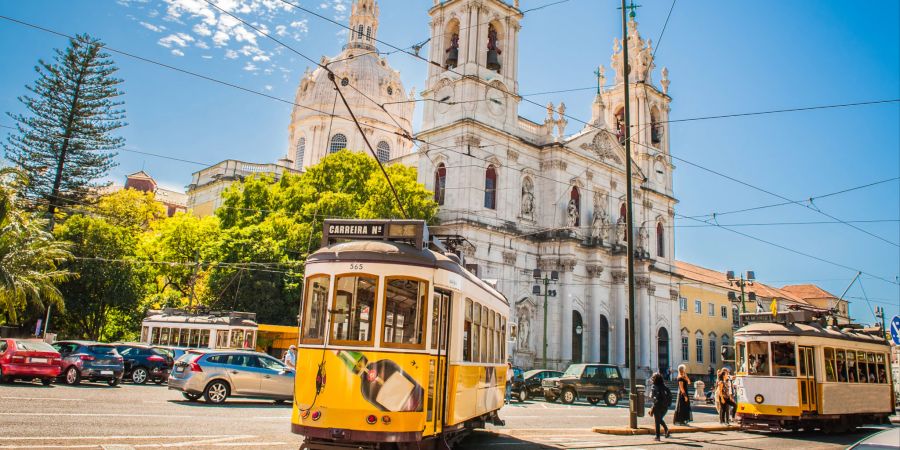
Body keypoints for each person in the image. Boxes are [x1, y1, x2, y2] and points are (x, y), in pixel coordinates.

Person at [648, 372, 671, 441]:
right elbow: (670, 396)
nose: (652, 379)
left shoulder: (654, 386)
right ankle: (666, 430)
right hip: (665, 406)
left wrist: (653, 405)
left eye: (653, 377)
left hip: (657, 406)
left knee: (657, 421)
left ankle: (657, 436)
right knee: (659, 419)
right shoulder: (665, 386)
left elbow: (652, 396)